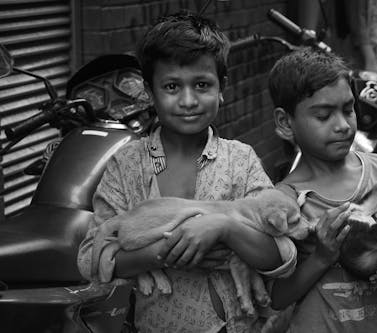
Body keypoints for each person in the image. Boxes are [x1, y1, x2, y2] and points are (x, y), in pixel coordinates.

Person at [77, 12, 297, 333]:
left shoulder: (240, 160)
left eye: (202, 85)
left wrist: (224, 227)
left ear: (222, 87)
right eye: (171, 86)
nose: (188, 100)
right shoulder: (127, 165)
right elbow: (88, 260)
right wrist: (161, 253)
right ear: (150, 93)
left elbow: (282, 258)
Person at [268, 47, 377, 332]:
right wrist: (322, 256)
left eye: (348, 110)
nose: (343, 126)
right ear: (285, 123)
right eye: (323, 116)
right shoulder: (283, 203)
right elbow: (277, 298)